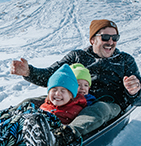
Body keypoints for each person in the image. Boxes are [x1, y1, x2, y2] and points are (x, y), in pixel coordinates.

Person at [11, 19, 141, 136]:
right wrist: (29, 72)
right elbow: (52, 76)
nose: (111, 42)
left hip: (109, 104)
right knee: (31, 102)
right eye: (105, 37)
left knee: (98, 110)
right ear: (92, 40)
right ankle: (6, 123)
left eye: (115, 38)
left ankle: (61, 136)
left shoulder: (125, 60)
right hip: (73, 97)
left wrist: (134, 92)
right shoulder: (77, 56)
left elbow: (139, 99)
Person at [0, 64, 87, 146]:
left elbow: (74, 124)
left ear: (72, 95)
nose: (58, 94)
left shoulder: (76, 107)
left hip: (48, 129)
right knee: (24, 110)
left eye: (63, 91)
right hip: (31, 126)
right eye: (54, 90)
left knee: (28, 119)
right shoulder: (46, 103)